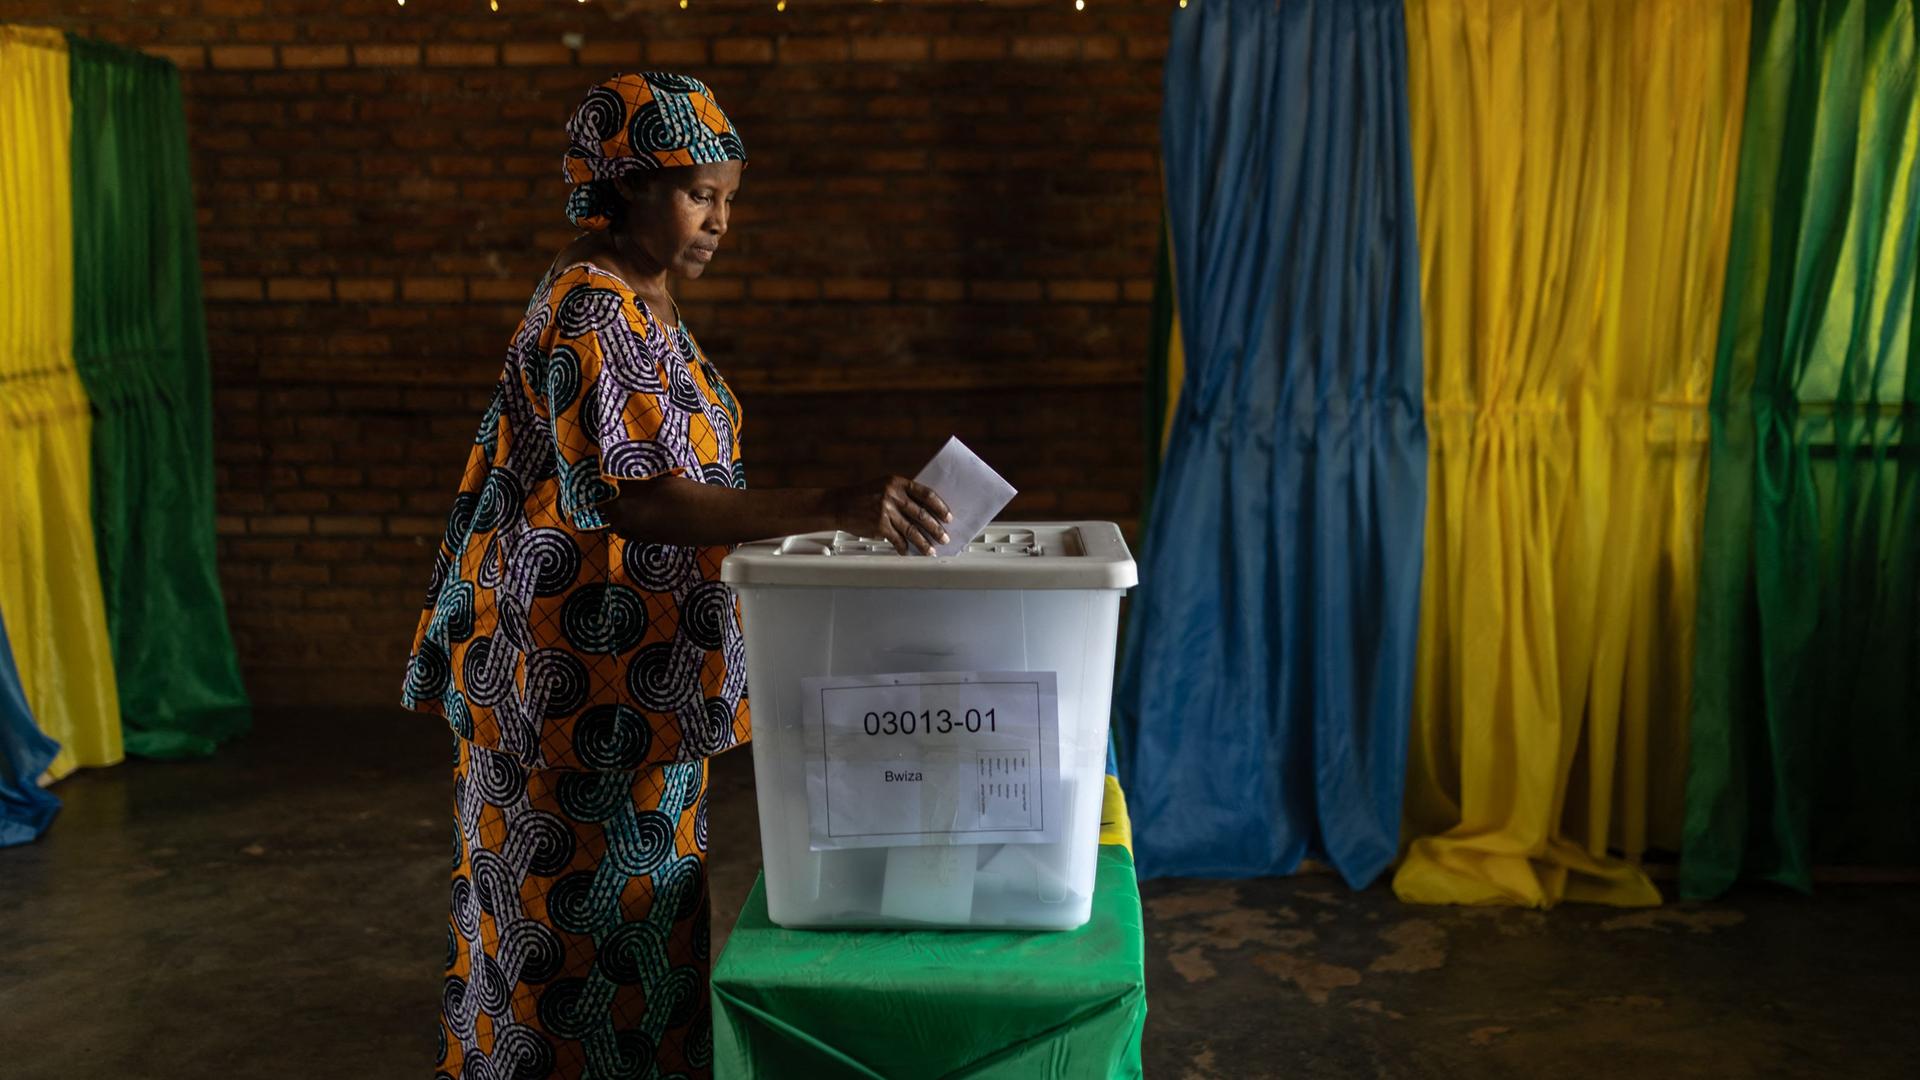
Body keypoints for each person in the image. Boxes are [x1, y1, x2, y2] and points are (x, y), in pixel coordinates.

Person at [399, 71, 953, 1080]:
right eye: (701, 194)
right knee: (562, 949)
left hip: (635, 689)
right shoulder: (594, 310)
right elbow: (637, 498)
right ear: (627, 185)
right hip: (573, 693)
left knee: (636, 932)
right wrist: (836, 503)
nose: (720, 222)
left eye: (730, 199)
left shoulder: (643, 299)